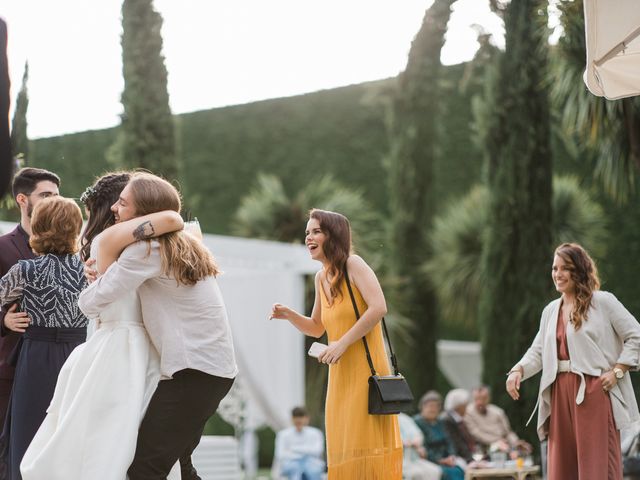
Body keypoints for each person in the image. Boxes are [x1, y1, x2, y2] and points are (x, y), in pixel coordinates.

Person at [20, 172, 184, 480]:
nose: (119, 209)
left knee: (100, 433)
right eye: (121, 201)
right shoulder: (123, 243)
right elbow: (174, 218)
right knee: (117, 433)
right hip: (127, 346)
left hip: (112, 340)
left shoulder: (113, 243)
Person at [77, 172, 238, 480]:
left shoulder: (146, 250)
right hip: (212, 371)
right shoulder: (183, 243)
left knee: (145, 469)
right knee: (180, 465)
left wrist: (97, 277)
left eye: (123, 204)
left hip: (192, 373)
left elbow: (90, 303)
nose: (114, 209)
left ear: (142, 212)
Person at [270, 208, 402, 479]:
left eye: (316, 231)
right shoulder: (321, 277)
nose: (309, 237)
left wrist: (341, 344)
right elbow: (317, 327)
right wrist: (290, 315)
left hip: (366, 374)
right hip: (339, 375)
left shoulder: (354, 265)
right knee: (342, 440)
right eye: (307, 232)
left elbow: (378, 308)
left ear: (334, 235)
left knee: (365, 440)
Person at [506, 242, 640, 480]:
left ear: (578, 270)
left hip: (594, 392)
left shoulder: (603, 302)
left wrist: (618, 371)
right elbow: (538, 351)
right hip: (559, 393)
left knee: (595, 468)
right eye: (555, 268)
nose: (558, 274)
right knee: (562, 469)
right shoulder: (550, 310)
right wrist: (518, 370)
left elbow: (636, 335)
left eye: (565, 268)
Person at [0, 196, 87, 480]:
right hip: (79, 358)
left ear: (38, 227)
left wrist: (4, 318)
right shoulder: (88, 271)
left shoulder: (26, 270)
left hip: (37, 358)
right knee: (69, 435)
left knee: (29, 434)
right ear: (75, 228)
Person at [0, 167, 59, 429]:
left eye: (57, 195)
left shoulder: (69, 251)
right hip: (10, 369)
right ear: (22, 200)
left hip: (57, 368)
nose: (54, 201)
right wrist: (4, 320)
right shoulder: (2, 247)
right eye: (46, 195)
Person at [464, 385, 530, 455]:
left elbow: (508, 432)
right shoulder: (467, 413)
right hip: (484, 450)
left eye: (483, 398)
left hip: (505, 446)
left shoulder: (498, 412)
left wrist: (516, 442)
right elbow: (477, 434)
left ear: (489, 398)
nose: (480, 402)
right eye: (477, 399)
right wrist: (497, 441)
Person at [413, 391, 464, 480]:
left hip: (447, 460)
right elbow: (422, 446)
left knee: (458, 470)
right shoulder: (417, 422)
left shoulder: (440, 422)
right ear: (422, 407)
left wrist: (451, 455)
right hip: (429, 461)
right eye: (430, 406)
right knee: (448, 473)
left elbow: (449, 441)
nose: (433, 409)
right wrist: (439, 460)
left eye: (436, 406)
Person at [274, 406, 325, 480]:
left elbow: (318, 451)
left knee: (313, 470)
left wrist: (294, 449)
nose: (298, 420)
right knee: (295, 469)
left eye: (301, 417)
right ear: (292, 419)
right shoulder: (283, 434)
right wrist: (304, 453)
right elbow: (280, 454)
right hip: (291, 464)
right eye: (296, 417)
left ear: (307, 418)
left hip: (312, 464)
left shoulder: (316, 433)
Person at [398, 412, 442, 480]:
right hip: (400, 459)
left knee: (435, 470)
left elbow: (418, 434)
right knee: (416, 474)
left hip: (414, 457)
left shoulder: (404, 417)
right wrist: (408, 444)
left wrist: (417, 444)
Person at [441, 389, 475, 463]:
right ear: (459, 406)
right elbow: (457, 443)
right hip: (457, 458)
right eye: (466, 405)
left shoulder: (457, 418)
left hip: (465, 457)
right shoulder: (447, 420)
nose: (467, 408)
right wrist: (471, 460)